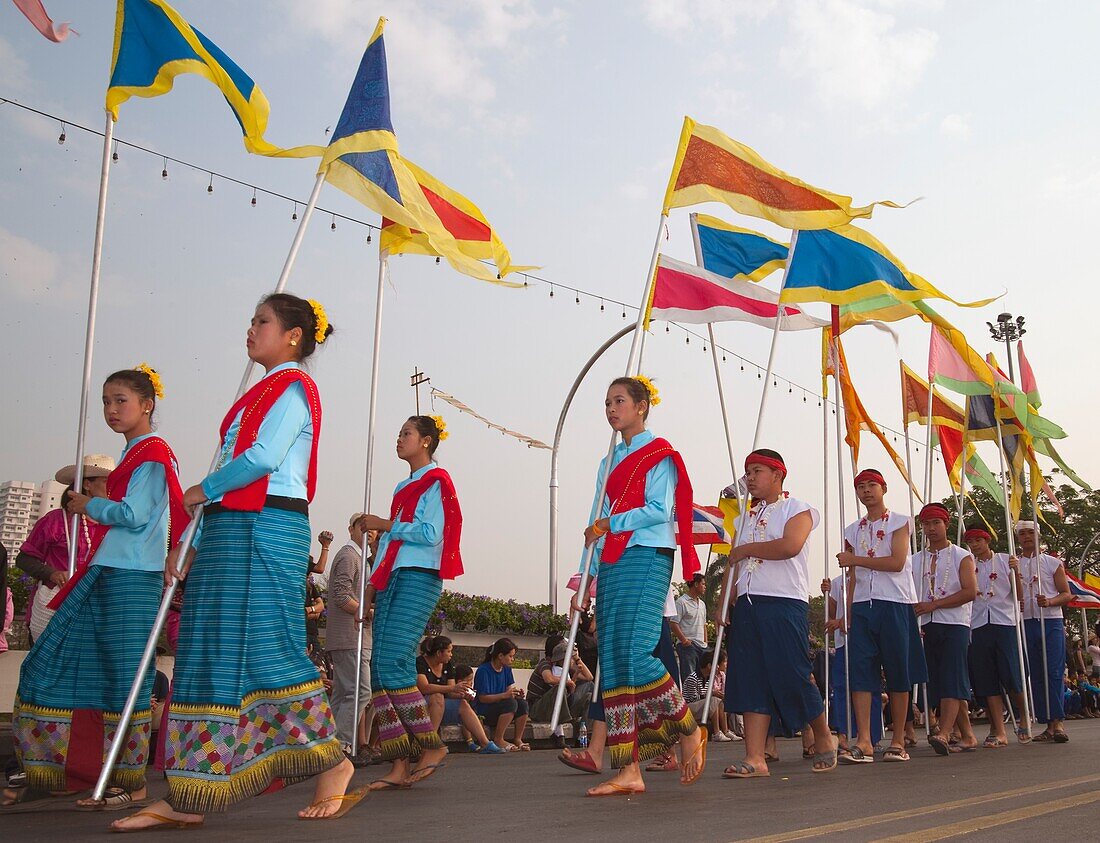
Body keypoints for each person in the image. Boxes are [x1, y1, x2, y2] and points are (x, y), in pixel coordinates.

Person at [110, 295, 363, 831]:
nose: (251, 329)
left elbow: (263, 460)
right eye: (251, 320)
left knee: (266, 648)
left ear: (293, 335)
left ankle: (333, 760)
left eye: (262, 321)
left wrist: (202, 491)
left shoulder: (295, 388)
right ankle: (190, 793)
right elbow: (229, 464)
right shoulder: (257, 395)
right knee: (207, 650)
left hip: (268, 526)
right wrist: (193, 540)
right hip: (230, 526)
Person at [7, 365, 188, 810]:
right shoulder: (135, 454)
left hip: (132, 578)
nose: (111, 409)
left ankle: (132, 782)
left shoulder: (153, 453)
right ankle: (59, 770)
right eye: (106, 401)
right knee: (51, 663)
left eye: (120, 400)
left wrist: (90, 505)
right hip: (107, 573)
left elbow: (136, 515)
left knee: (125, 680)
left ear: (147, 404)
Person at [573, 376, 706, 796]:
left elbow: (657, 510)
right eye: (607, 402)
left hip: (647, 554)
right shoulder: (608, 460)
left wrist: (611, 523)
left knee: (634, 651)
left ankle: (687, 729)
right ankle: (629, 769)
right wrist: (586, 579)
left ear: (642, 406)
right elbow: (596, 521)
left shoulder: (659, 453)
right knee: (613, 660)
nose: (611, 409)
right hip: (612, 557)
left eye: (619, 401)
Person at [355, 413, 463, 791]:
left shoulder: (437, 480)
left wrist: (384, 524)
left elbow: (432, 533)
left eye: (406, 434)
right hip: (393, 577)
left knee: (393, 661)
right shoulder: (404, 486)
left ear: (427, 441)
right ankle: (399, 761)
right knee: (381, 669)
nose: (399, 439)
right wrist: (370, 589)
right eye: (399, 433)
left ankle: (431, 747)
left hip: (420, 576)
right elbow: (388, 546)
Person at [718, 449, 837, 778]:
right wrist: (723, 601)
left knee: (793, 674)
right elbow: (733, 563)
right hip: (748, 605)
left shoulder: (798, 508)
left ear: (778, 474)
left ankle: (825, 738)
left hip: (784, 602)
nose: (751, 478)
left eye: (757, 471)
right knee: (750, 677)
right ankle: (755, 757)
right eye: (748, 473)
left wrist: (745, 549)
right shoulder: (743, 518)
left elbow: (789, 546)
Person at [836, 468, 924, 764]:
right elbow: (851, 576)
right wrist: (847, 610)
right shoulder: (852, 529)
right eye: (860, 486)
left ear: (883, 488)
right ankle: (865, 740)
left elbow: (898, 562)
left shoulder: (901, 522)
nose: (866, 490)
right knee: (861, 672)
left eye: (871, 484)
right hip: (862, 605)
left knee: (898, 671)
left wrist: (855, 560)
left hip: (894, 603)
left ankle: (898, 739)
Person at [15, 455, 114, 644]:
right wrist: (51, 573)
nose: (113, 487)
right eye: (106, 481)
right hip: (55, 604)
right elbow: (24, 559)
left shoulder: (114, 524)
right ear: (87, 485)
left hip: (97, 607)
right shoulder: (56, 521)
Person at [912, 504, 978, 755]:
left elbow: (970, 591)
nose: (930, 529)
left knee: (952, 676)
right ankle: (969, 735)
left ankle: (944, 731)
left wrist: (935, 604)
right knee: (940, 680)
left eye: (935, 523)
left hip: (954, 623)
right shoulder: (916, 559)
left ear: (946, 524)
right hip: (927, 625)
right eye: (926, 524)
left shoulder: (962, 555)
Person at [964, 527, 1030, 745]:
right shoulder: (967, 563)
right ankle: (999, 730)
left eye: (978, 540)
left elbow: (1019, 596)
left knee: (1011, 673)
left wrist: (1016, 573)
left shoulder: (1004, 560)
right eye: (971, 542)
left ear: (987, 540)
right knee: (986, 678)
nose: (975, 545)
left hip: (1004, 622)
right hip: (978, 623)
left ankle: (1023, 716)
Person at [1016, 520, 1072, 743]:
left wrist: (1049, 601)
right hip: (1025, 622)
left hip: (1050, 621)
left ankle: (1057, 722)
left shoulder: (1052, 562)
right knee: (1035, 673)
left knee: (1054, 671)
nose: (1027, 537)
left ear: (1038, 535)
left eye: (1031, 533)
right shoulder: (1014, 563)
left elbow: (1066, 594)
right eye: (1022, 534)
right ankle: (1046, 723)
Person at [326, 514, 373, 763]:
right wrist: (366, 612)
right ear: (350, 528)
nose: (369, 533)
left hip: (352, 636)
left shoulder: (359, 558)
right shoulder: (348, 556)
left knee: (344, 693)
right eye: (363, 527)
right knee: (360, 691)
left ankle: (327, 744)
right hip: (350, 636)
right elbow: (341, 596)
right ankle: (340, 745)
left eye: (373, 529)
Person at [416, 636, 503, 754]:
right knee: (437, 696)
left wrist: (462, 694)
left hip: (441, 705)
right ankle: (430, 743)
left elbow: (451, 693)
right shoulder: (420, 662)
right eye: (449, 651)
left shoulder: (447, 664)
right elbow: (424, 688)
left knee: (463, 704)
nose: (451, 654)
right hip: (422, 705)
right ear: (438, 653)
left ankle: (485, 743)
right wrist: (452, 688)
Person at [527, 640, 595, 746]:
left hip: (560, 704)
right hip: (539, 708)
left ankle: (582, 734)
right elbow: (549, 679)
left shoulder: (565, 668)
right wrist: (568, 682)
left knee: (590, 694)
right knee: (559, 689)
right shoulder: (546, 664)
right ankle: (559, 734)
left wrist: (577, 659)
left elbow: (588, 677)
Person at [474, 638, 530, 752]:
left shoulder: (506, 670)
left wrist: (515, 695)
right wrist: (505, 695)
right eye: (510, 656)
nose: (512, 659)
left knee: (522, 704)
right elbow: (482, 698)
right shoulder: (483, 670)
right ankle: (498, 739)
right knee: (510, 703)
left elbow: (508, 692)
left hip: (501, 707)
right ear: (500, 656)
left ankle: (518, 738)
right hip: (486, 710)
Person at [672, 574, 708, 683]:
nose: (705, 586)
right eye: (703, 584)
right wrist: (684, 641)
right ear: (696, 584)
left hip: (702, 646)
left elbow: (704, 625)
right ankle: (690, 700)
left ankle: (701, 700)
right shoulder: (681, 602)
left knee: (702, 677)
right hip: (687, 646)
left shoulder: (702, 604)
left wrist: (705, 642)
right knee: (689, 678)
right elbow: (673, 623)